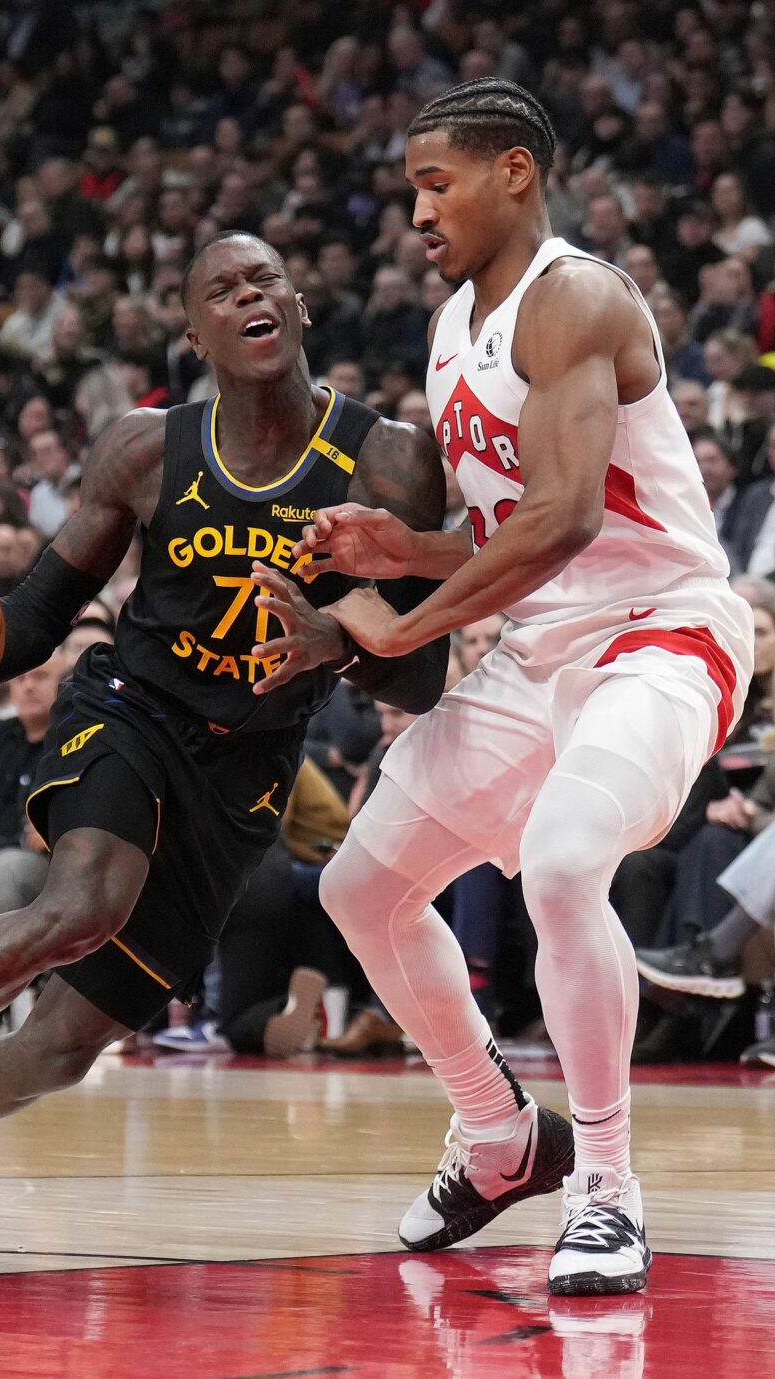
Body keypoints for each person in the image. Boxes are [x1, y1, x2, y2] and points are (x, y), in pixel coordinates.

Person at [0, 231, 452, 1262]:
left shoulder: (391, 458)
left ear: (300, 306)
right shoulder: (144, 448)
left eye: (264, 279)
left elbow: (423, 676)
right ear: (195, 334)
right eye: (222, 288)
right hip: (130, 708)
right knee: (85, 900)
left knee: (61, 1047)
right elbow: (35, 615)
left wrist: (337, 646)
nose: (248, 294)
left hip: (245, 772)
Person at [250, 79, 753, 1296]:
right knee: (362, 886)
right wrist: (403, 550)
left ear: (514, 170)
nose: (417, 211)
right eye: (411, 189)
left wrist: (401, 622)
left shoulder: (576, 296)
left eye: (437, 183)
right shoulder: (449, 328)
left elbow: (567, 518)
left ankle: (606, 1184)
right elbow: (501, 530)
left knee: (567, 861)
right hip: (539, 646)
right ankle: (498, 1132)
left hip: (659, 631)